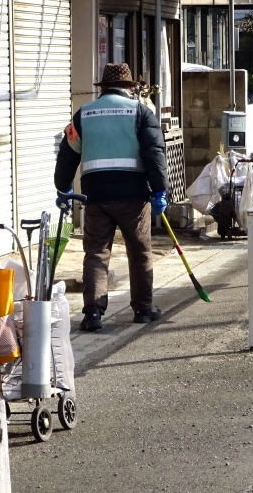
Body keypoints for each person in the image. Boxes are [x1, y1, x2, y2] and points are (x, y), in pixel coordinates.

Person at [54, 62, 170, 332]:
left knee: (96, 254)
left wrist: (63, 186)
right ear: (130, 88)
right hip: (133, 195)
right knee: (139, 252)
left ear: (103, 88)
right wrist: (160, 189)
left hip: (96, 195)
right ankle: (143, 308)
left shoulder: (83, 115)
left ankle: (93, 313)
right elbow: (155, 152)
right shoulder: (141, 112)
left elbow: (68, 152)